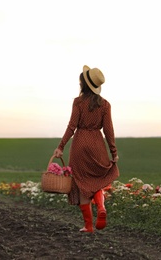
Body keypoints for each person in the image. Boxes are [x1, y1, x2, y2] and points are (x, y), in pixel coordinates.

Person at [53, 65, 119, 233]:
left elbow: (71, 126)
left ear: (84, 84)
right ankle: (101, 207)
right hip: (97, 144)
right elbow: (109, 130)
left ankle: (88, 226)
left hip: (80, 145)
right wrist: (114, 152)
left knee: (82, 183)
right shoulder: (105, 105)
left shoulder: (78, 102)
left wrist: (60, 147)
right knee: (97, 180)